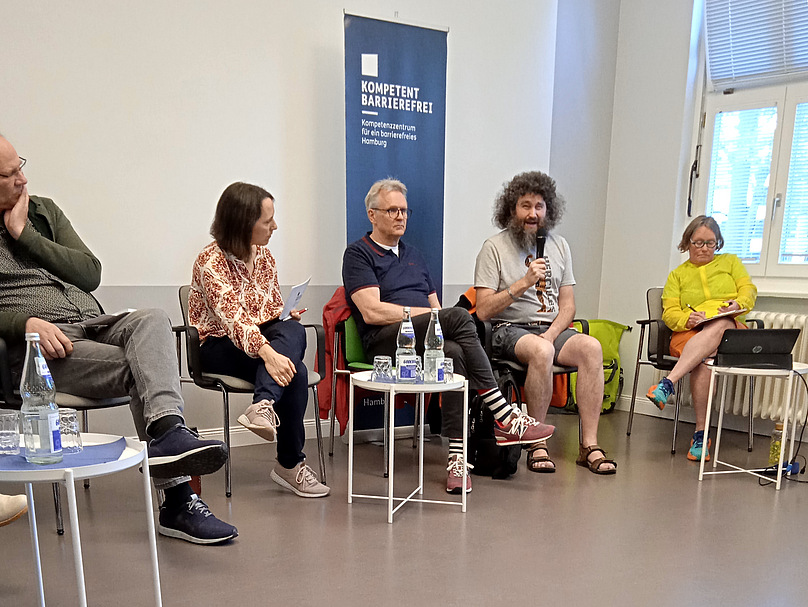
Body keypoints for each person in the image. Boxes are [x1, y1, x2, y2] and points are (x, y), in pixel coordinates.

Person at [0, 135, 237, 544]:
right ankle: (178, 498)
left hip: (93, 321)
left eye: (22, 165)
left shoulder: (42, 211)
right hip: (42, 348)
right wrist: (25, 323)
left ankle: (167, 433)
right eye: (10, 174)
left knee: (152, 319)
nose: (23, 179)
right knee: (140, 370)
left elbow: (90, 273)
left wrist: (25, 233)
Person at [342, 178, 555, 494]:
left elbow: (435, 311)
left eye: (404, 210)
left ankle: (457, 458)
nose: (400, 217)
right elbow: (372, 312)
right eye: (392, 211)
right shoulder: (358, 254)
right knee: (456, 316)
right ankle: (504, 414)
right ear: (372, 215)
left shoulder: (415, 255)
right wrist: (428, 317)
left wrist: (436, 323)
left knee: (453, 352)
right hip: (385, 345)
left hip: (420, 340)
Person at [190, 182, 329, 498]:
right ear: (242, 223)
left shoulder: (264, 257)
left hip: (258, 341)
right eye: (268, 221)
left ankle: (263, 405)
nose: (274, 227)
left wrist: (284, 317)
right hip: (216, 345)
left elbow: (268, 310)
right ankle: (289, 465)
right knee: (296, 370)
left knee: (292, 331)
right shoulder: (210, 261)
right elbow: (234, 319)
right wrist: (268, 353)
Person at [474, 171, 616, 475]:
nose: (533, 214)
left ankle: (588, 445)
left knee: (591, 347)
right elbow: (483, 310)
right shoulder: (494, 247)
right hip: (507, 329)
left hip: (551, 329)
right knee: (541, 351)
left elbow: (569, 306)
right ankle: (536, 444)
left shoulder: (560, 246)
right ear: (512, 209)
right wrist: (523, 283)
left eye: (539, 206)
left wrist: (551, 334)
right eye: (526, 206)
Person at [646, 215, 757, 461]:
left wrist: (736, 304)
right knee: (706, 360)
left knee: (722, 323)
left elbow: (748, 290)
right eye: (698, 243)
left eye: (710, 243)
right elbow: (670, 313)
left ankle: (668, 384)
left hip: (730, 333)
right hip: (690, 334)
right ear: (687, 243)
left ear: (718, 243)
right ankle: (701, 435)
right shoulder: (677, 275)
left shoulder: (731, 262)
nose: (705, 248)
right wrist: (688, 318)